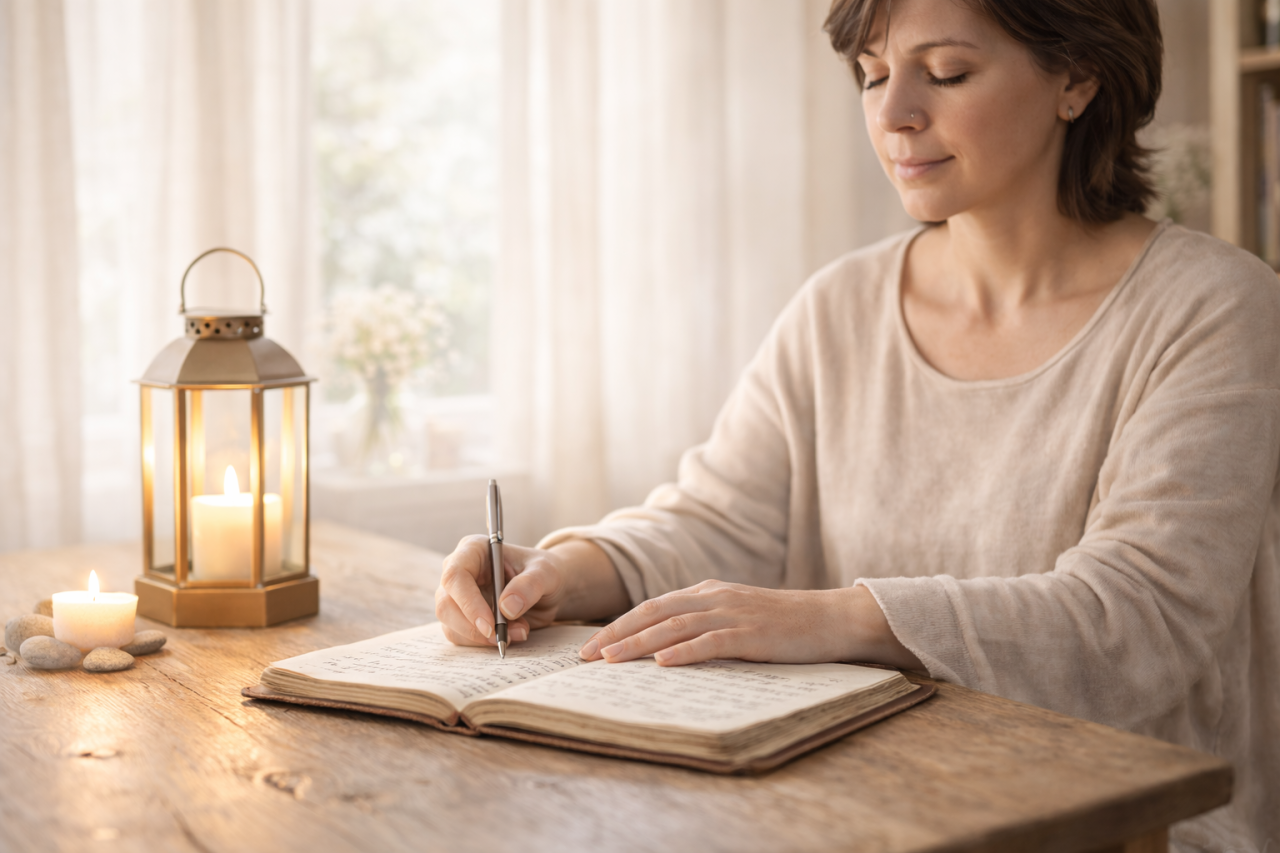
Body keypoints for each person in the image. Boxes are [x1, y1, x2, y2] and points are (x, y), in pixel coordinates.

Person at [436, 0, 1279, 848]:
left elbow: (1140, 622)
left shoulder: (1213, 307)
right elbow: (720, 517)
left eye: (946, 73)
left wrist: (831, 618)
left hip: (1131, 828)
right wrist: (560, 569)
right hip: (866, 805)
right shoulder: (839, 306)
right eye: (873, 75)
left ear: (1078, 77)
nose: (894, 112)